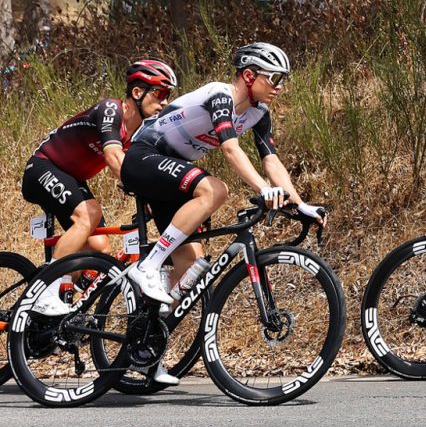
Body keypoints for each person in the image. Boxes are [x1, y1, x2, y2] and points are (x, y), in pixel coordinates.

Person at [121, 42, 325, 310]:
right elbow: (230, 148)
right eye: (275, 78)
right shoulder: (220, 95)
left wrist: (300, 204)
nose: (280, 86)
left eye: (283, 80)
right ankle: (149, 266)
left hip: (170, 171)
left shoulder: (258, 112)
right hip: (143, 157)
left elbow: (271, 160)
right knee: (215, 190)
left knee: (190, 267)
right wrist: (264, 189)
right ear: (250, 76)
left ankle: (150, 332)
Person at [21, 59, 178, 316]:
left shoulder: (140, 132)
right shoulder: (110, 110)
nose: (164, 102)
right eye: (160, 93)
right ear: (137, 93)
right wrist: (145, 191)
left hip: (71, 177)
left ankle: (63, 300)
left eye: (168, 95)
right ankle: (45, 290)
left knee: (100, 248)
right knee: (89, 214)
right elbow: (115, 158)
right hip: (42, 167)